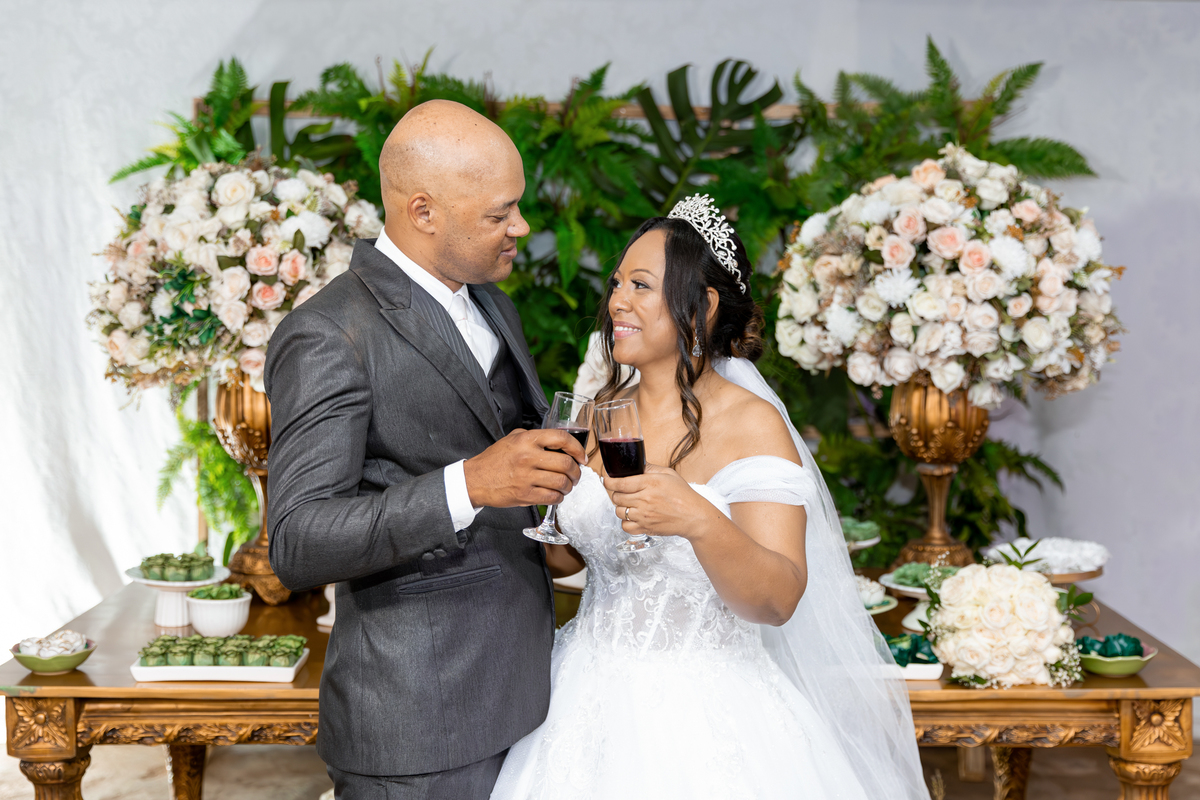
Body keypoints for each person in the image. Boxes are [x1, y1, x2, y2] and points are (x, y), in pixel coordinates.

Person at [491, 196, 930, 799]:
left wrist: (698, 519)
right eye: (617, 284)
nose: (617, 302)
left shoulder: (753, 425)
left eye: (641, 286)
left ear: (703, 304)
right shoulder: (599, 413)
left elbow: (777, 600)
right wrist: (545, 509)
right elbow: (577, 558)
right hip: (581, 699)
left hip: (706, 715)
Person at [264, 100, 586, 799]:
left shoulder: (492, 302)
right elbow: (297, 540)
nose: (522, 228)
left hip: (521, 693)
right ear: (423, 212)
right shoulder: (328, 333)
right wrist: (469, 485)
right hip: (417, 722)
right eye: (500, 213)